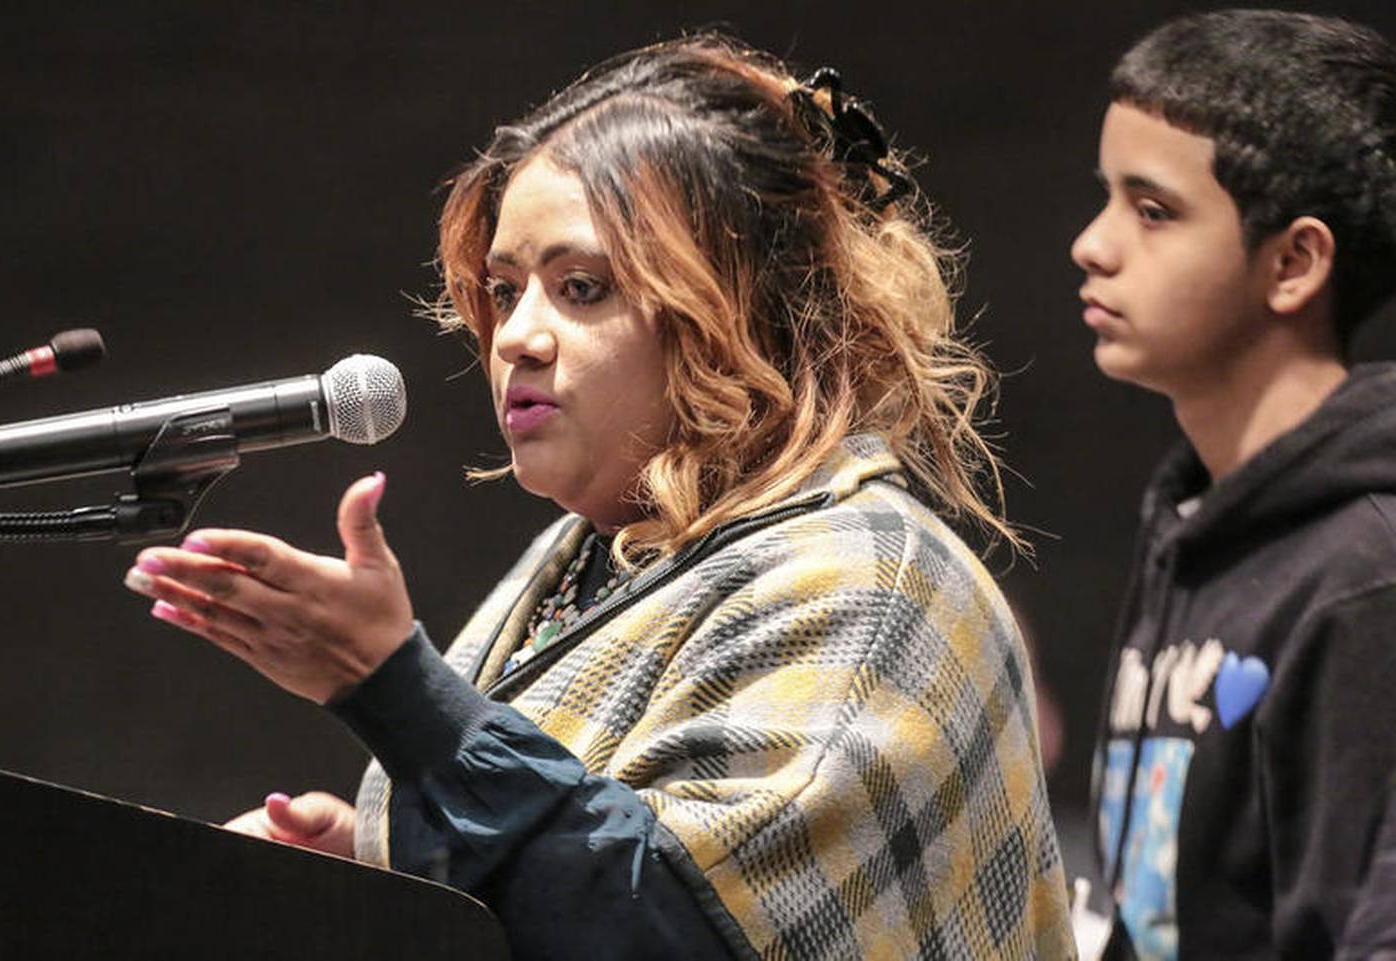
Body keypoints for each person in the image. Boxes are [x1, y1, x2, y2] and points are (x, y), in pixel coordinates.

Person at [123, 34, 1073, 959]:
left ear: (737, 309)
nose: (516, 336)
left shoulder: (871, 584)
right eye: (504, 289)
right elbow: (570, 868)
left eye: (581, 288)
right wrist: (388, 870)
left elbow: (675, 927)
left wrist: (398, 693)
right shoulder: (597, 555)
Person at [1070, 10, 1396, 960]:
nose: (1094, 244)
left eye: (1153, 210)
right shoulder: (1191, 521)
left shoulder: (1367, 573)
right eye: (1106, 197)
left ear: (1293, 263)